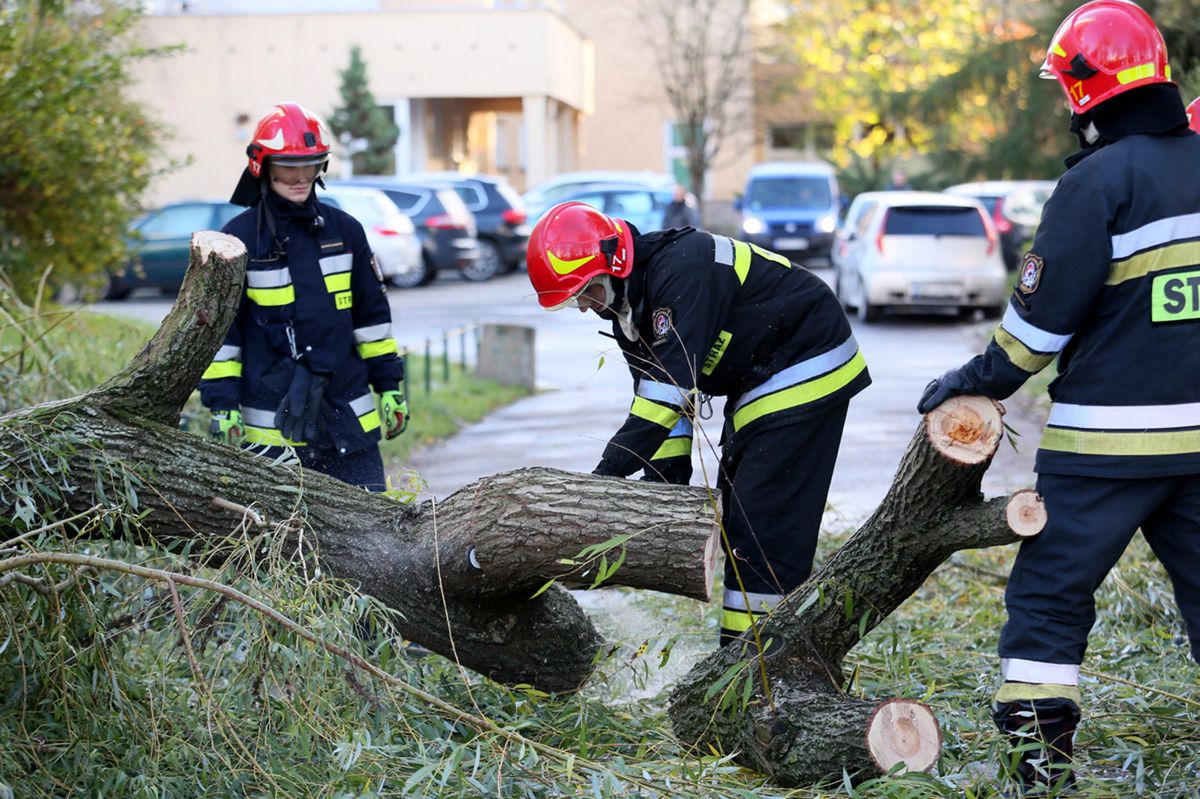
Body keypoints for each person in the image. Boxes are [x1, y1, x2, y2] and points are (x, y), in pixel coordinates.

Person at [916, 1, 1200, 792]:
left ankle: (1038, 773)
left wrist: (971, 382)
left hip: (1105, 446)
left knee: (1047, 602)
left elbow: (1035, 334)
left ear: (1084, 87)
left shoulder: (1097, 184)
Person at [526, 201, 870, 645]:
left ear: (613, 262)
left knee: (763, 528)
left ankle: (760, 666)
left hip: (805, 363)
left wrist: (605, 476)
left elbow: (669, 390)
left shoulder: (682, 268)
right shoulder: (631, 309)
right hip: (759, 381)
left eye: (586, 293)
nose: (584, 307)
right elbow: (663, 408)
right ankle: (743, 666)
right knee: (740, 519)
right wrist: (664, 491)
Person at [199, 101, 409, 491]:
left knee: (373, 534)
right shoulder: (237, 240)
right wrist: (221, 403)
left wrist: (391, 387)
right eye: (288, 167)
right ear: (263, 166)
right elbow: (221, 336)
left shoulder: (345, 231)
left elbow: (372, 321)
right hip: (272, 435)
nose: (300, 177)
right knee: (283, 543)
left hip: (348, 425)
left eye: (310, 166)